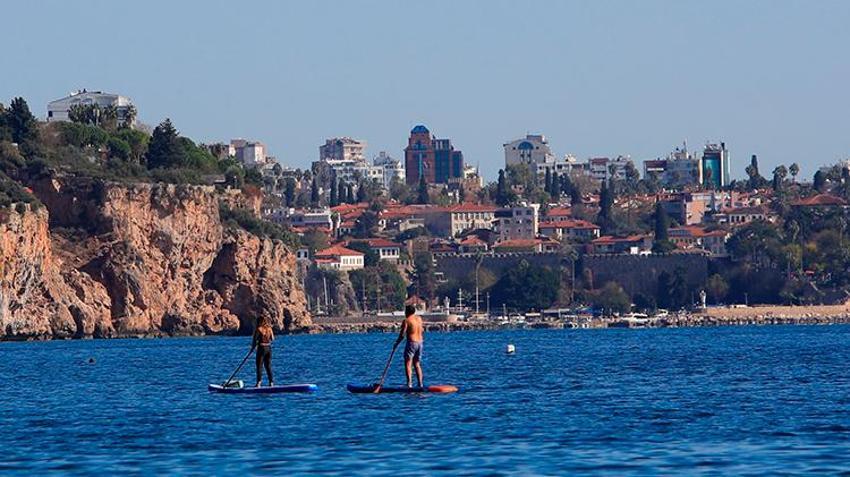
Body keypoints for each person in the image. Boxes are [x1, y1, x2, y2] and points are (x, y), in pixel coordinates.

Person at [395, 305, 424, 388]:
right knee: (417, 363)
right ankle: (420, 384)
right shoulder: (419, 319)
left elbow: (402, 335)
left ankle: (409, 384)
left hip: (412, 343)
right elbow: (422, 330)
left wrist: (397, 343)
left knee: (408, 363)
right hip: (420, 343)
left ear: (407, 312)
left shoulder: (407, 321)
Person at [252, 316, 274, 387]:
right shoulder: (269, 329)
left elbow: (254, 340)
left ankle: (258, 383)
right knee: (268, 366)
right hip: (268, 348)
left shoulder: (258, 329)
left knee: (259, 366)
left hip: (261, 348)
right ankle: (271, 382)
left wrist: (253, 348)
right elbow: (272, 338)